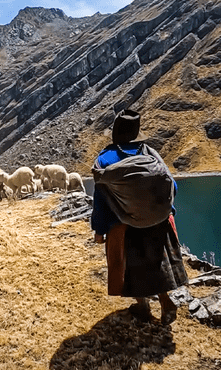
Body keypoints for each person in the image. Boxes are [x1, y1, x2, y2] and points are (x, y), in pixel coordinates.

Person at [90, 109, 188, 325]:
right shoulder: (149, 153)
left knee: (129, 267)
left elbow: (101, 199)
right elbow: (172, 186)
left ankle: (143, 305)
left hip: (123, 223)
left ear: (115, 133)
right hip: (157, 221)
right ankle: (165, 301)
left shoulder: (105, 158)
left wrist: (99, 230)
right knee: (155, 263)